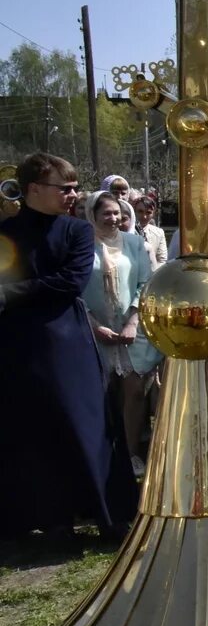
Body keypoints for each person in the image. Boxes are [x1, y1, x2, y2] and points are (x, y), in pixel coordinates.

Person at [0, 154, 135, 541]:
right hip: (17, 343)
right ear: (34, 190)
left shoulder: (76, 231)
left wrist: (11, 293)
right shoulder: (6, 231)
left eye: (75, 187)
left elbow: (70, 282)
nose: (73, 194)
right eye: (66, 188)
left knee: (86, 423)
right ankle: (51, 518)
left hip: (66, 340)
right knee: (33, 430)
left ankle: (109, 514)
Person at [83, 190, 162, 476]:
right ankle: (104, 455)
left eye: (117, 212)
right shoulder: (81, 245)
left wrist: (131, 322)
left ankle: (130, 454)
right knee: (104, 394)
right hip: (96, 328)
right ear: (92, 214)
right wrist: (94, 325)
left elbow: (145, 284)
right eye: (107, 213)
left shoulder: (134, 243)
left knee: (135, 391)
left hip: (133, 327)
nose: (114, 218)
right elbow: (75, 289)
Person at [132, 193, 166, 267]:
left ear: (153, 213)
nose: (144, 216)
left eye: (148, 212)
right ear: (134, 211)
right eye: (140, 211)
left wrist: (153, 274)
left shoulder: (159, 233)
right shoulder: (127, 231)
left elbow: (162, 260)